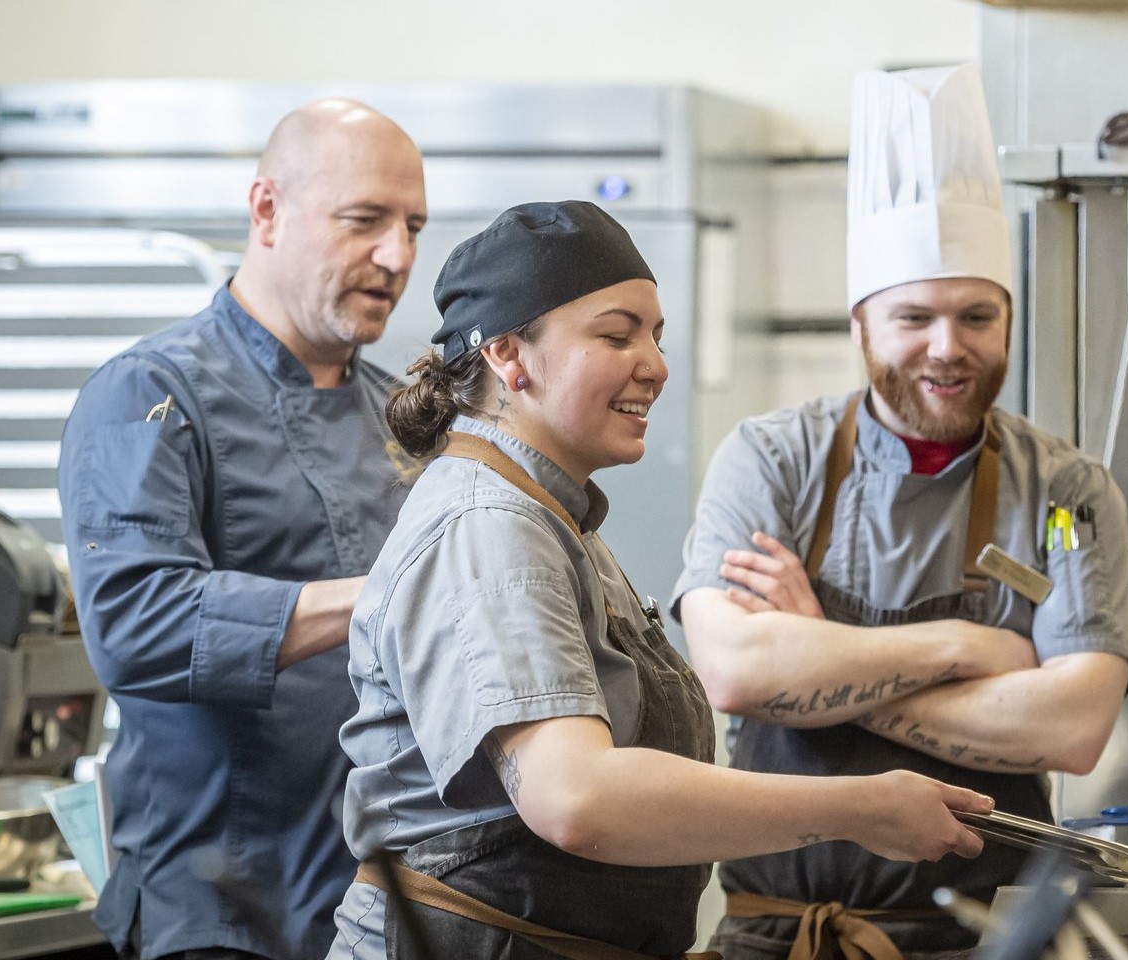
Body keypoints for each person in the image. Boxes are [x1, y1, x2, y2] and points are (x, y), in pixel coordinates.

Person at [327, 200, 995, 960]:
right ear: (509, 357)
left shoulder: (554, 515)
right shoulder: (489, 524)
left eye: (656, 335)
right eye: (617, 334)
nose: (656, 364)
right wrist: (859, 807)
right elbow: (575, 797)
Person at [673, 65, 1128, 960]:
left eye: (977, 316)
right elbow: (735, 672)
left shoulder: (1068, 491)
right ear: (860, 325)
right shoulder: (771, 459)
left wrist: (817, 667)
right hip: (781, 937)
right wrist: (970, 651)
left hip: (992, 942)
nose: (947, 347)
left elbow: (1074, 728)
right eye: (913, 317)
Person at [57, 99, 428, 960]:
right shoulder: (148, 395)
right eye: (364, 220)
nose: (398, 255)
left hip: (379, 906)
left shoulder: (400, 419)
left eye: (412, 225)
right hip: (221, 918)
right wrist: (387, 596)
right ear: (267, 209)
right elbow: (137, 625)